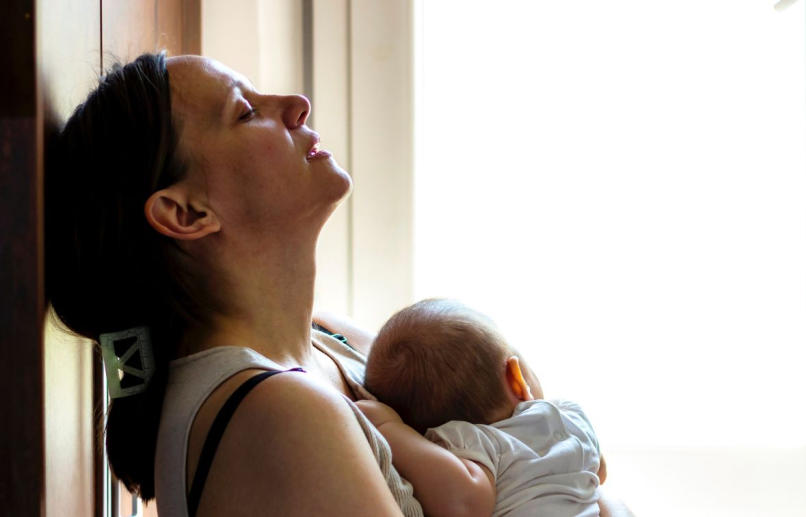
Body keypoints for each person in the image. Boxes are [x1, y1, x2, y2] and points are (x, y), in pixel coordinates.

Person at [45, 51, 632, 517]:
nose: (296, 104)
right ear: (188, 214)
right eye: (245, 111)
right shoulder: (278, 411)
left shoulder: (331, 342)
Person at [360, 298, 606, 517]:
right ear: (516, 379)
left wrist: (390, 428)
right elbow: (599, 472)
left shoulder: (475, 443)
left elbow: (464, 506)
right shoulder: (570, 415)